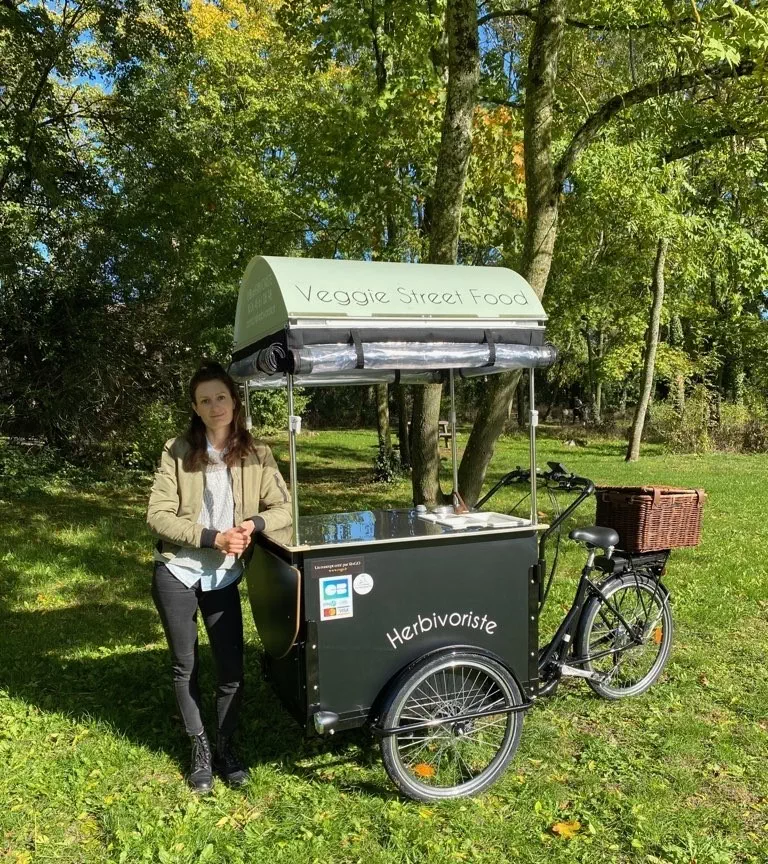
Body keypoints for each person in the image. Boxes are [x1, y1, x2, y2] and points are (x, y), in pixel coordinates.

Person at [147, 361, 292, 793]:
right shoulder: (176, 450)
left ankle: (225, 744)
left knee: (232, 668)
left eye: (221, 397)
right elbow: (157, 516)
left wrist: (252, 526)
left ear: (234, 401)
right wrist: (213, 537)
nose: (215, 406)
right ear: (195, 406)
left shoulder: (257, 453)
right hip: (177, 571)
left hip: (224, 578)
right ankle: (200, 749)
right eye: (205, 399)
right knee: (184, 665)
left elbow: (284, 508)